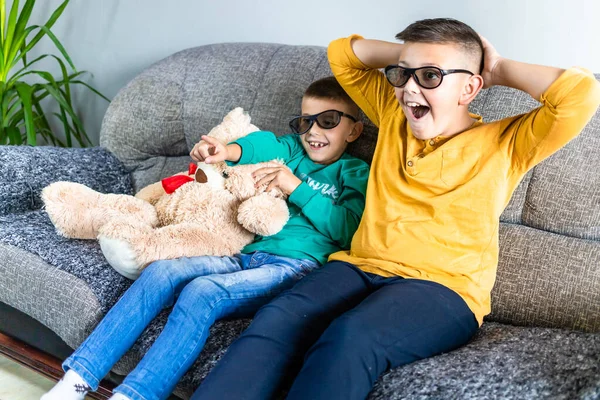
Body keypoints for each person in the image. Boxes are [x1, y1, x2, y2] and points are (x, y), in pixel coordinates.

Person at [191, 18, 600, 400]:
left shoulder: (508, 143)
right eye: (403, 74)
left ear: (470, 89)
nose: (408, 89)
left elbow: (579, 95)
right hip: (356, 265)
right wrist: (414, 58)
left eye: (430, 76)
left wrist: (496, 68)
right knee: (278, 318)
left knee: (351, 335)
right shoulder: (392, 116)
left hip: (444, 289)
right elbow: (343, 56)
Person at [41, 76, 369, 400]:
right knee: (161, 271)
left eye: (328, 121)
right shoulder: (293, 151)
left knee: (202, 292)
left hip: (296, 269)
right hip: (246, 255)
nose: (313, 132)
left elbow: (348, 229)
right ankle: (78, 378)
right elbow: (262, 145)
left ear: (353, 130)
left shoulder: (355, 172)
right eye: (304, 122)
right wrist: (225, 149)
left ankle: (135, 395)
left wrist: (295, 187)